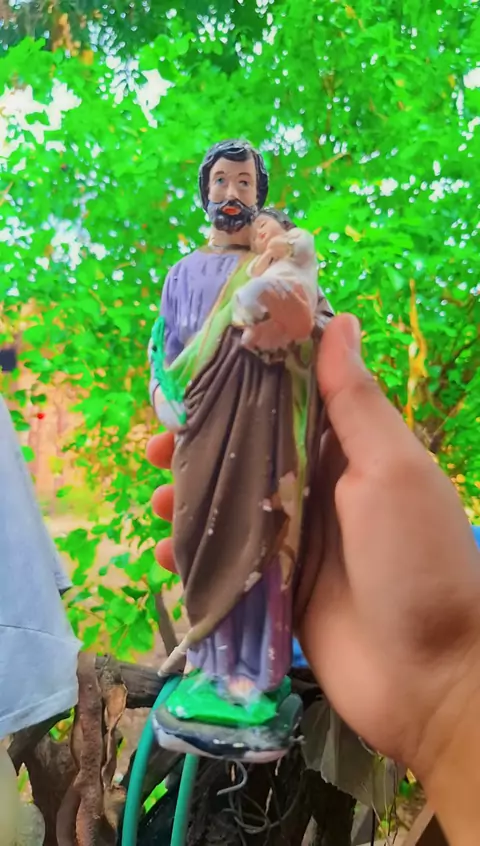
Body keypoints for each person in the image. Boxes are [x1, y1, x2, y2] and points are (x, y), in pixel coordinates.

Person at [148, 313, 480, 846]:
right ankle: (223, 675)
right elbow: (173, 381)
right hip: (235, 502)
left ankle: (247, 680)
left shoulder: (289, 331)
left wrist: (450, 687)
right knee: (218, 576)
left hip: (274, 510)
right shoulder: (205, 344)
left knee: (257, 586)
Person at [148, 138, 333, 737]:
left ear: (260, 195)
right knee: (195, 535)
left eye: (244, 183)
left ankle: (259, 671)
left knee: (260, 533)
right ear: (206, 192)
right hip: (199, 431)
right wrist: (163, 395)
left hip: (265, 431)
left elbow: (319, 326)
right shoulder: (181, 273)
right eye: (222, 181)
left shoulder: (282, 260)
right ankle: (209, 665)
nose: (232, 193)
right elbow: (162, 349)